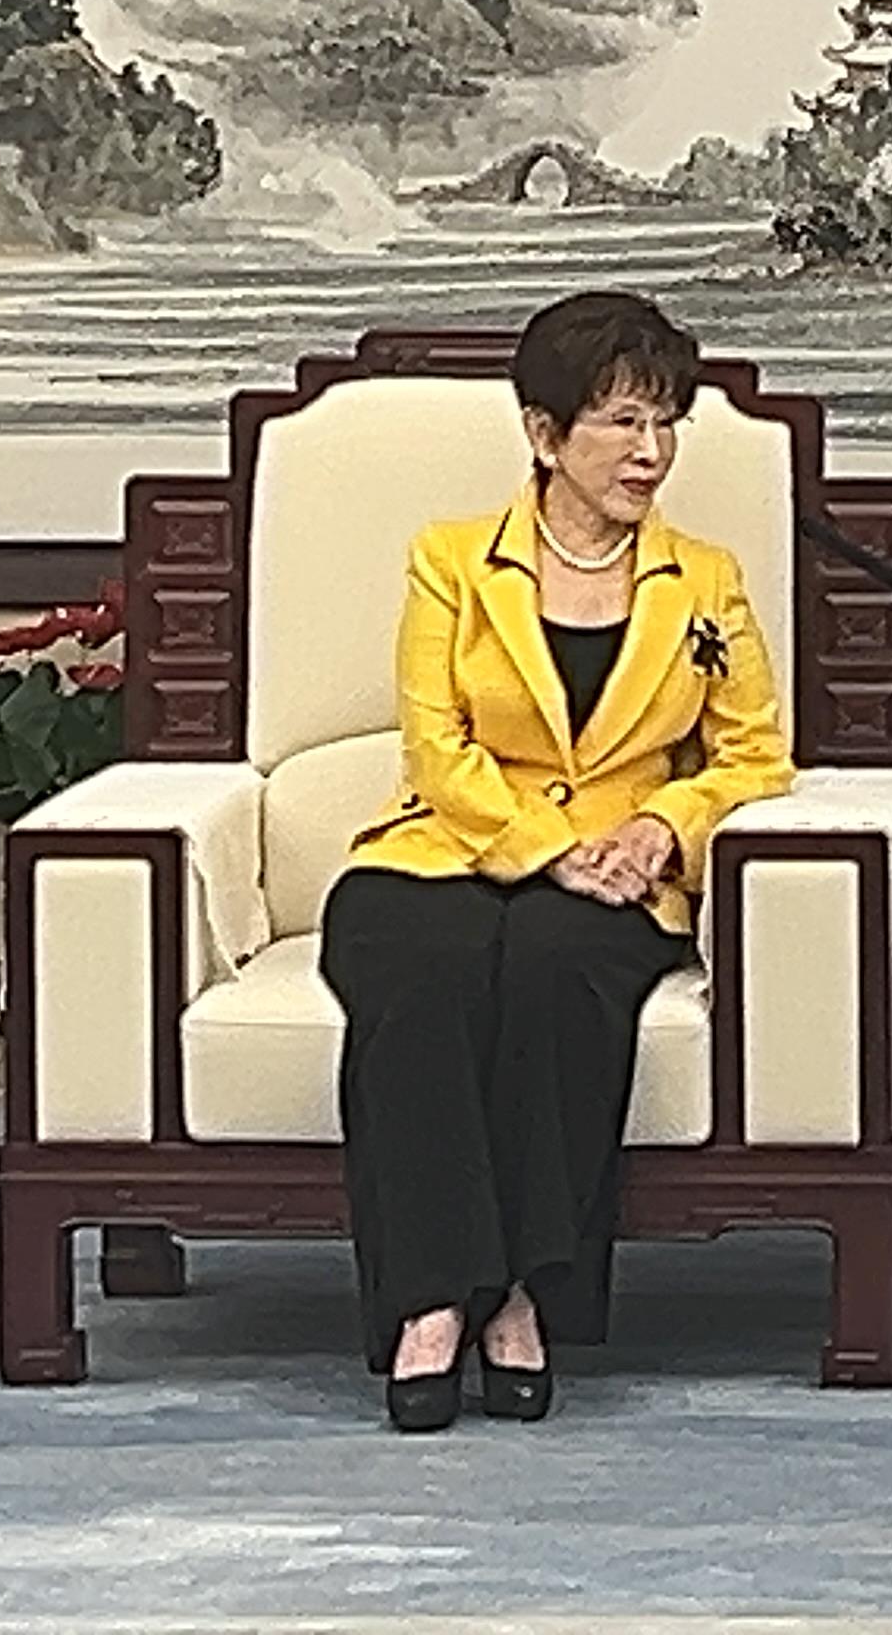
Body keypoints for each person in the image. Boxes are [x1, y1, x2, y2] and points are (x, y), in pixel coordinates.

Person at [318, 289, 795, 1431]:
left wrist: (660, 830)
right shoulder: (451, 563)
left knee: (553, 973)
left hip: (623, 874)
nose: (652, 451)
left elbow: (755, 753)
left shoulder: (706, 577)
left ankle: (524, 1295)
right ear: (545, 434)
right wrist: (547, 847)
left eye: (666, 422)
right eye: (622, 422)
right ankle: (431, 1301)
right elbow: (437, 748)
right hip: (441, 851)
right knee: (423, 975)